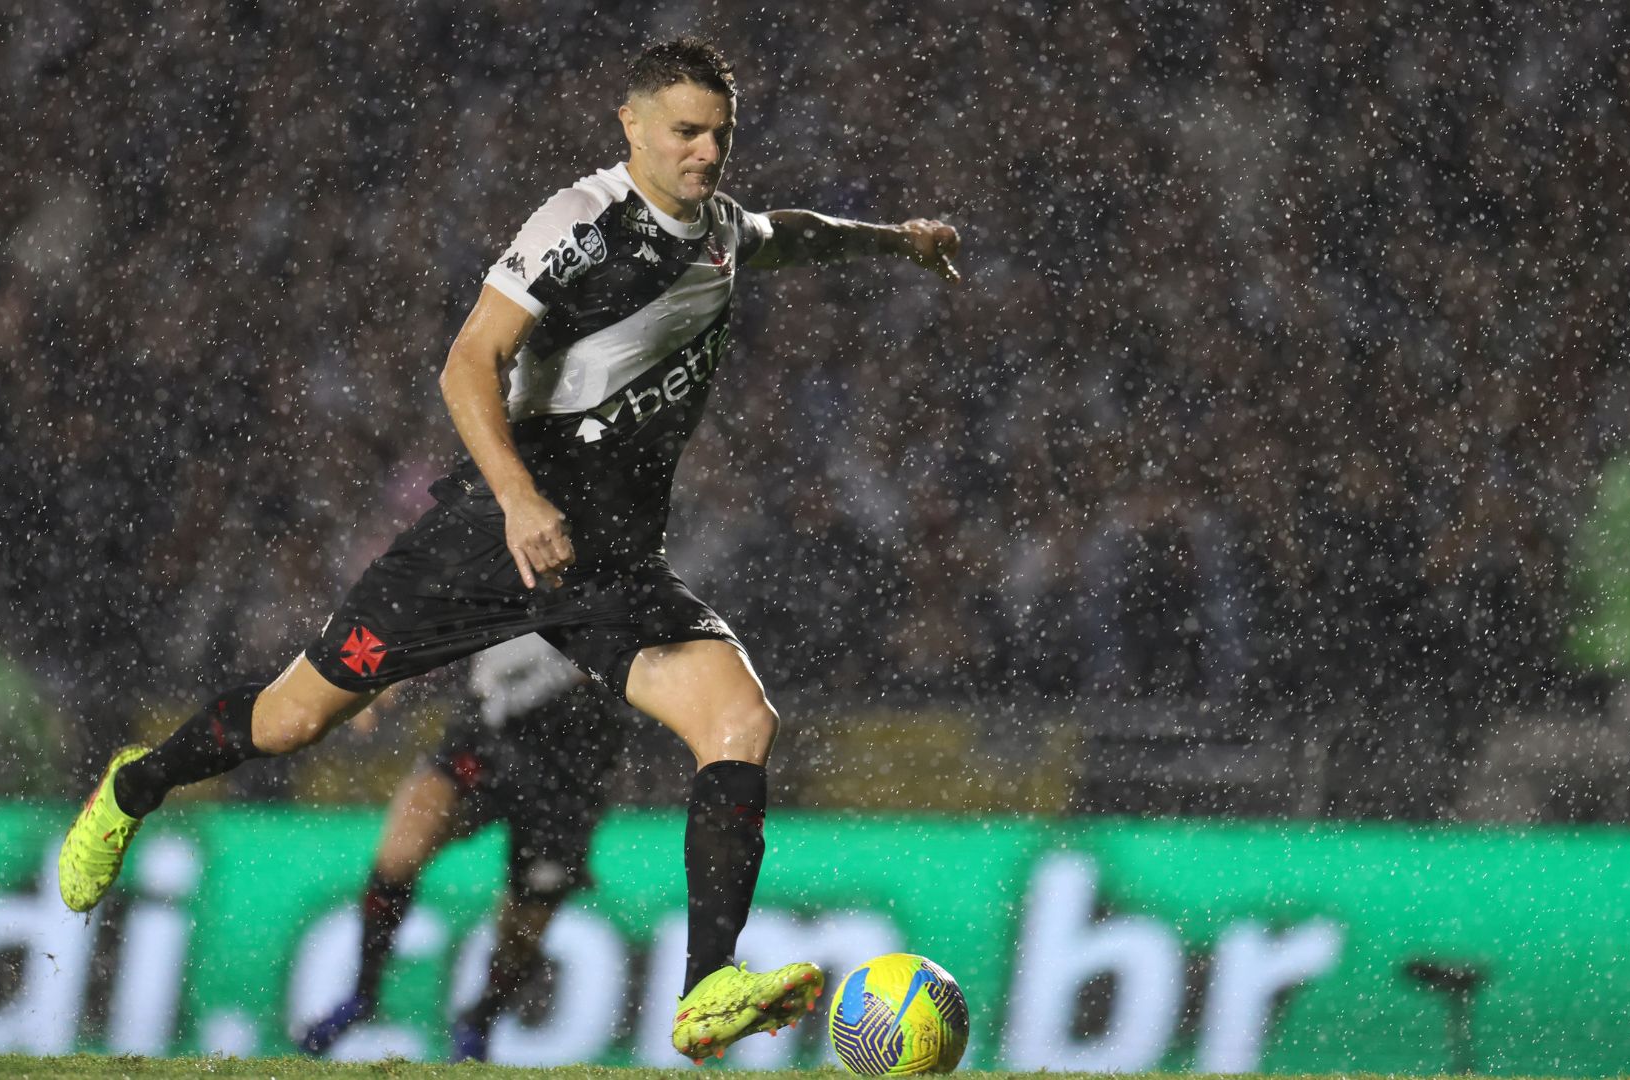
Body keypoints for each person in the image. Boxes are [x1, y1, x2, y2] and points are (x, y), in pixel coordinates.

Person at [57, 34, 960, 1062]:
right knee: (295, 716)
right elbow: (466, 364)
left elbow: (788, 234)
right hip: (492, 541)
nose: (706, 152)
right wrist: (522, 499)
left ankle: (708, 987)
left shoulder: (718, 231)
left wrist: (898, 240)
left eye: (720, 133)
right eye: (685, 132)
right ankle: (138, 784)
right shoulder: (578, 226)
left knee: (740, 717)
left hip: (609, 568)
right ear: (632, 127)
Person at [296, 634, 628, 1061]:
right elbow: (430, 615)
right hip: (485, 738)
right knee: (401, 851)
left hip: (571, 771)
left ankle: (480, 1019)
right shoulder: (499, 573)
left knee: (525, 925)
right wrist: (385, 674)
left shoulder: (627, 582)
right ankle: (362, 995)